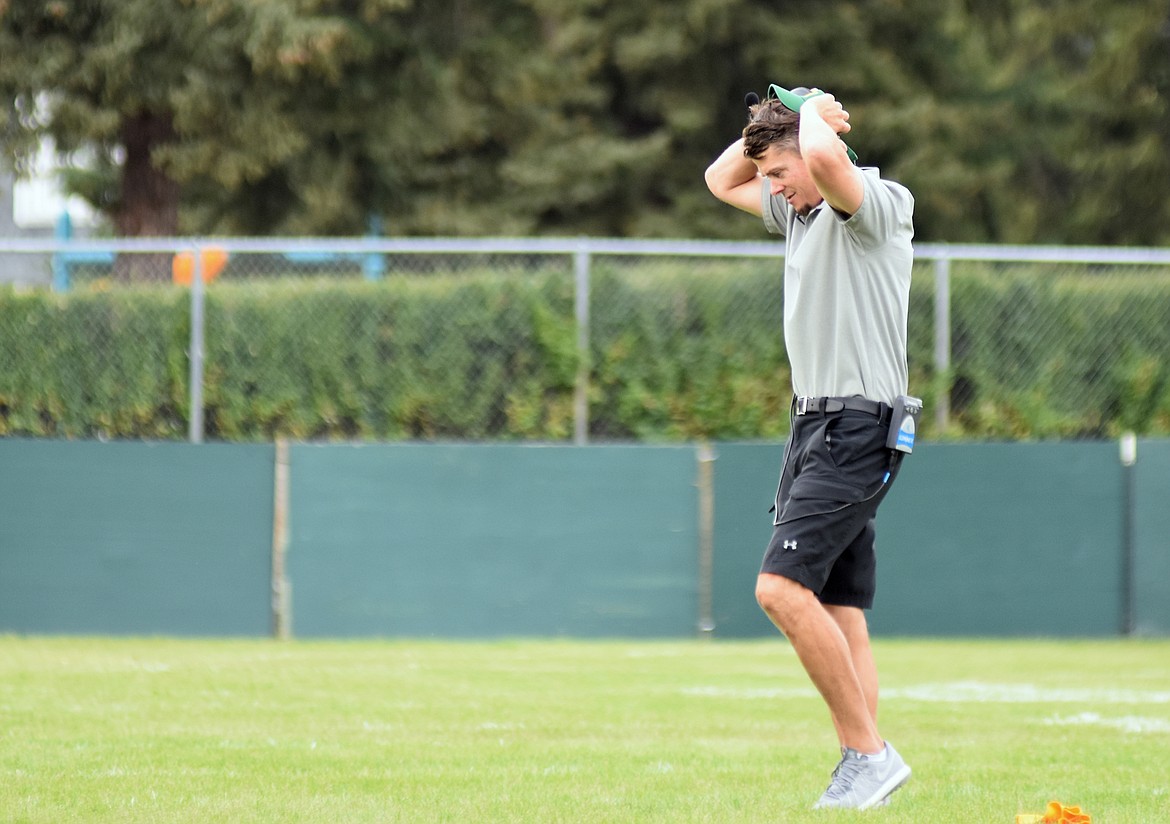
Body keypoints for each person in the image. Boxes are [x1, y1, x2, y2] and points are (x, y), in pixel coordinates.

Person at [704, 86, 915, 810]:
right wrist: (775, 126)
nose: (769, 187)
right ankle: (868, 772)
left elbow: (823, 156)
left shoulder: (876, 205)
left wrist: (813, 113)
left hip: (859, 426)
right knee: (841, 607)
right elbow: (718, 178)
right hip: (812, 427)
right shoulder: (800, 214)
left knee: (779, 590)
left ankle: (869, 754)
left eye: (778, 172)